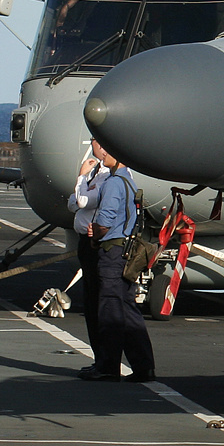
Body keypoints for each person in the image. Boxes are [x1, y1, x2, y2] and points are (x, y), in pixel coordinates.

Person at [78, 142, 155, 382]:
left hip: (112, 251)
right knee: (127, 309)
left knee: (109, 310)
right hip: (126, 251)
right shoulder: (127, 180)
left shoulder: (112, 183)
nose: (103, 154)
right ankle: (144, 367)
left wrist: (96, 236)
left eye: (108, 151)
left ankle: (108, 366)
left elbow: (106, 219)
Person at [67, 146, 110, 377]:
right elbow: (72, 203)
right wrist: (82, 187)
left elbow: (83, 201)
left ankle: (105, 362)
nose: (94, 146)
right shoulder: (98, 173)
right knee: (91, 301)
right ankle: (99, 359)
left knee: (98, 302)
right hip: (85, 241)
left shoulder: (106, 177)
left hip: (98, 244)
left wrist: (81, 177)